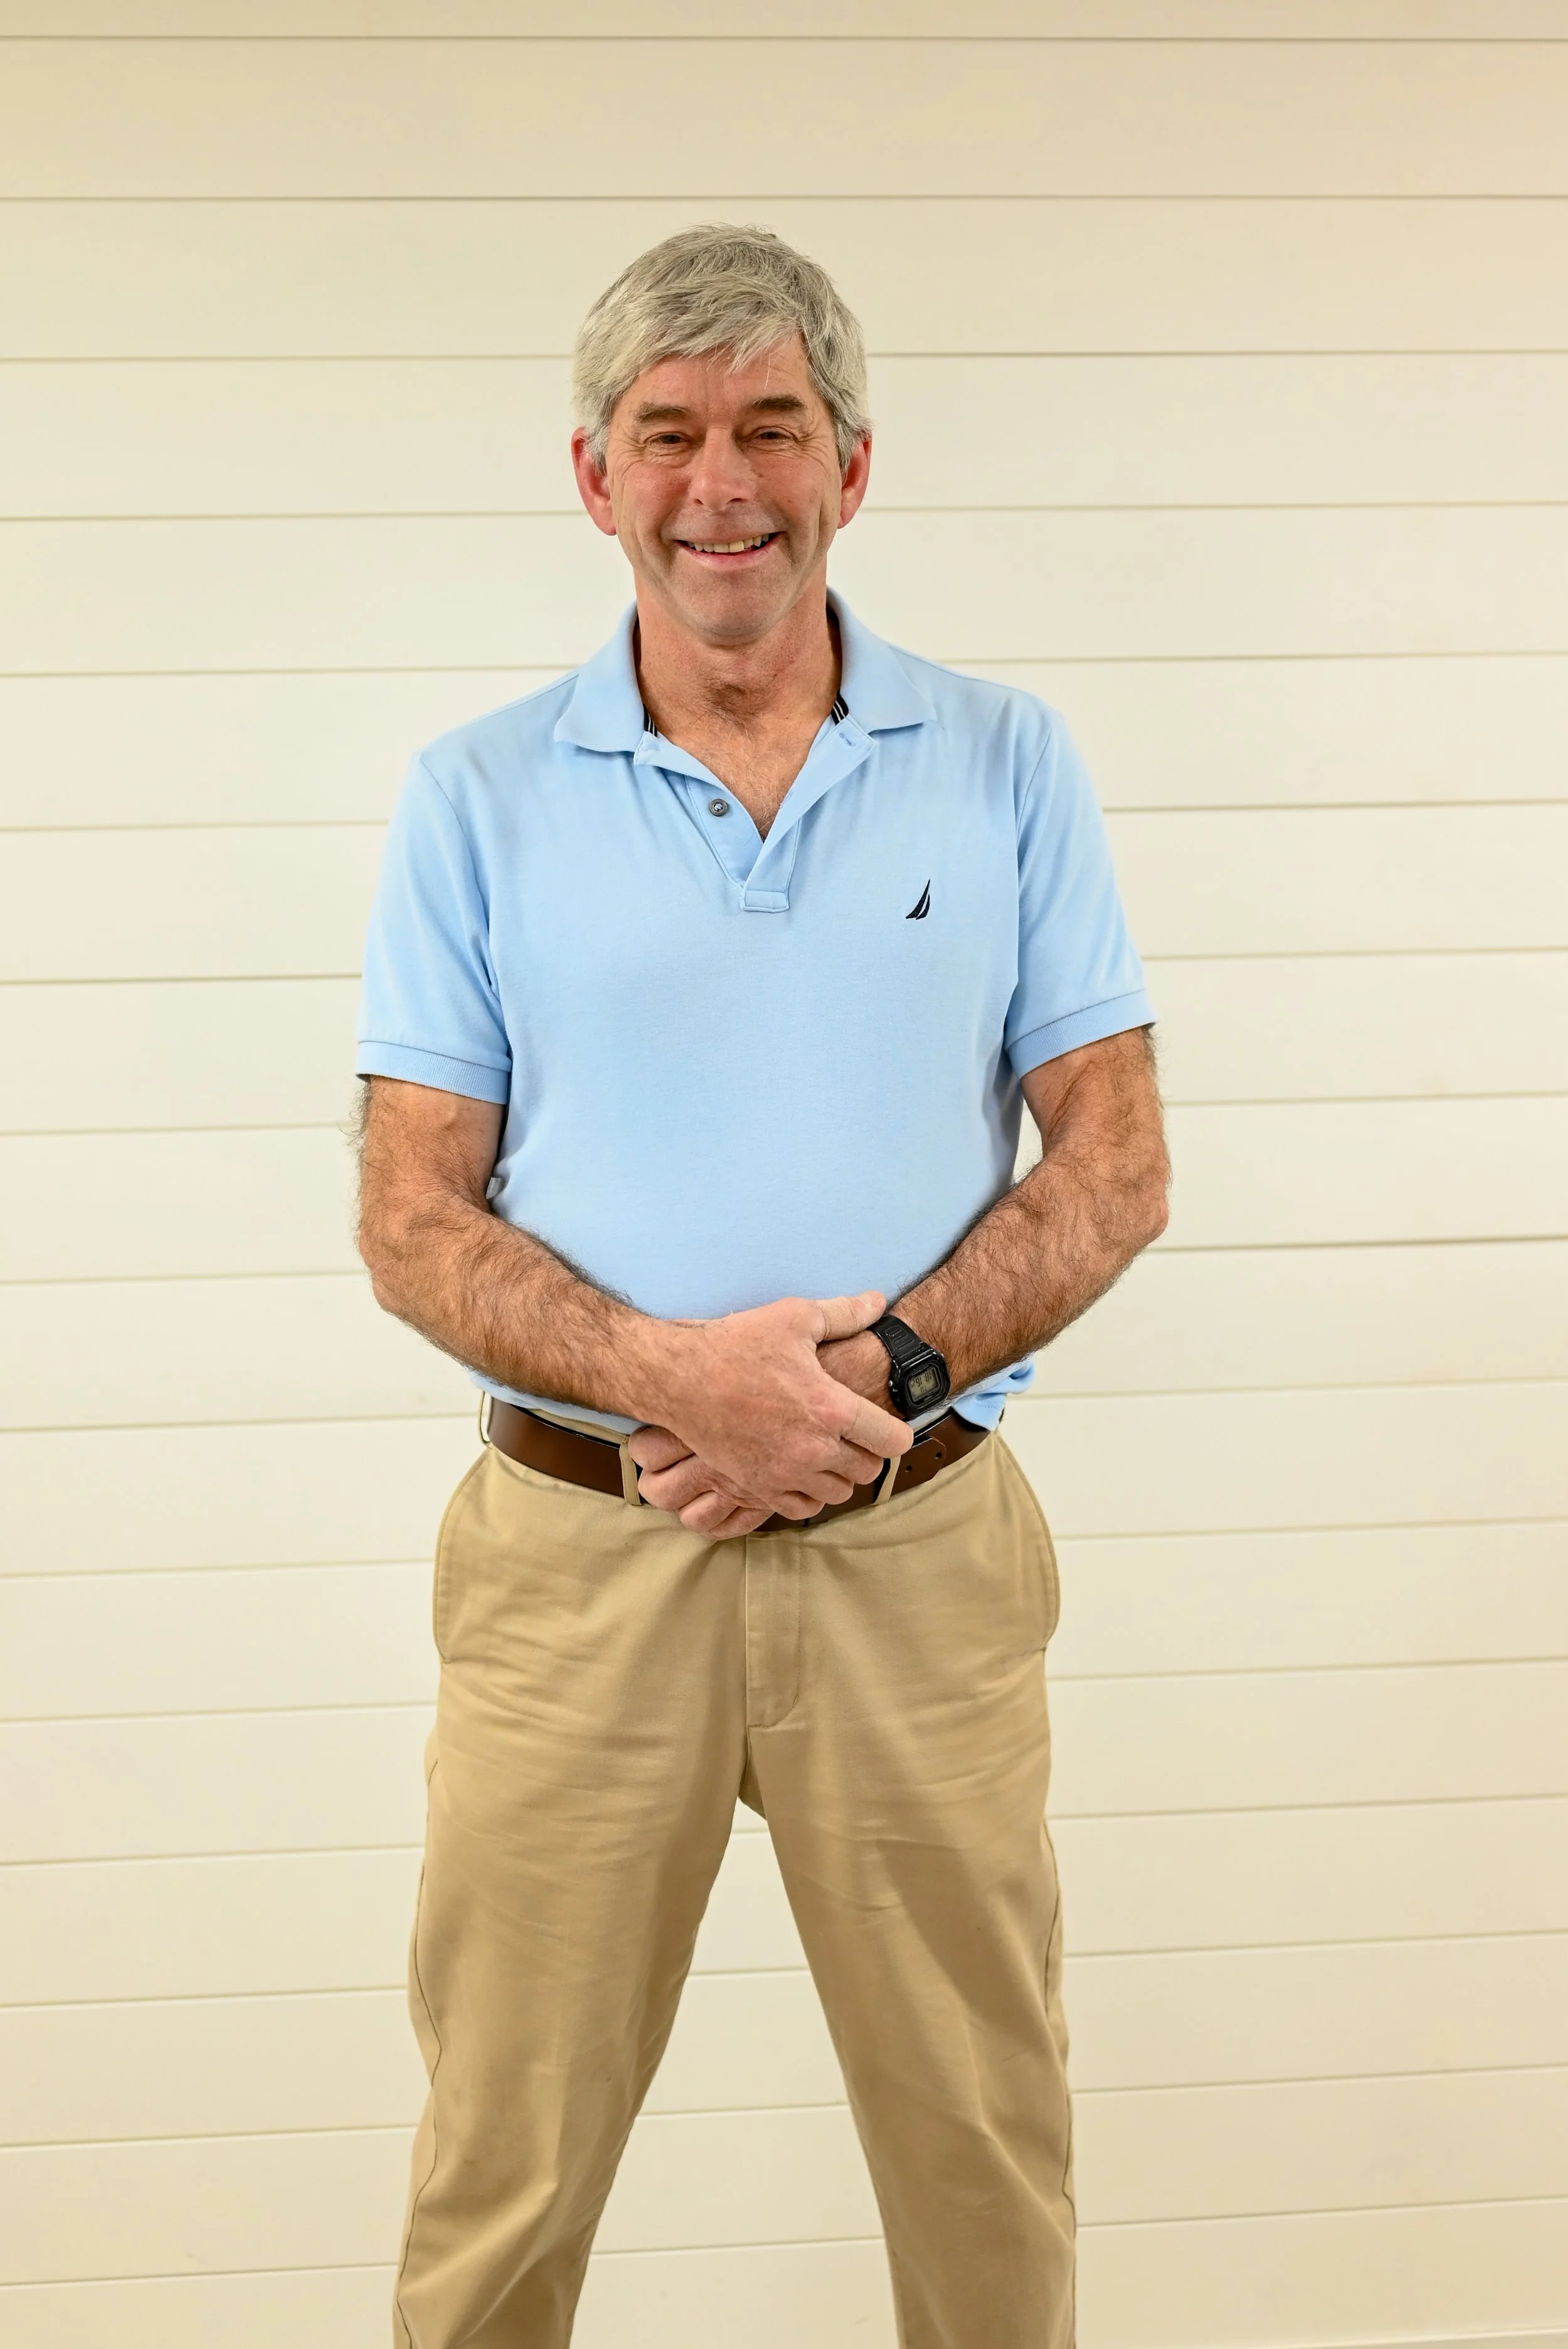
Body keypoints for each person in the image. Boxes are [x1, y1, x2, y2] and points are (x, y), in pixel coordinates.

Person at [356, 222, 1169, 2349]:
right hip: (574, 1569)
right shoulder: (475, 799)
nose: (722, 484)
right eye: (668, 434)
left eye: (773, 429)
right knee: (503, 2167)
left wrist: (868, 1376)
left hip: (919, 1555)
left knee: (980, 2151)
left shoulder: (1006, 762)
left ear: (852, 467)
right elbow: (411, 1214)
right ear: (594, 477)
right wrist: (670, 1376)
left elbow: (1114, 1163)